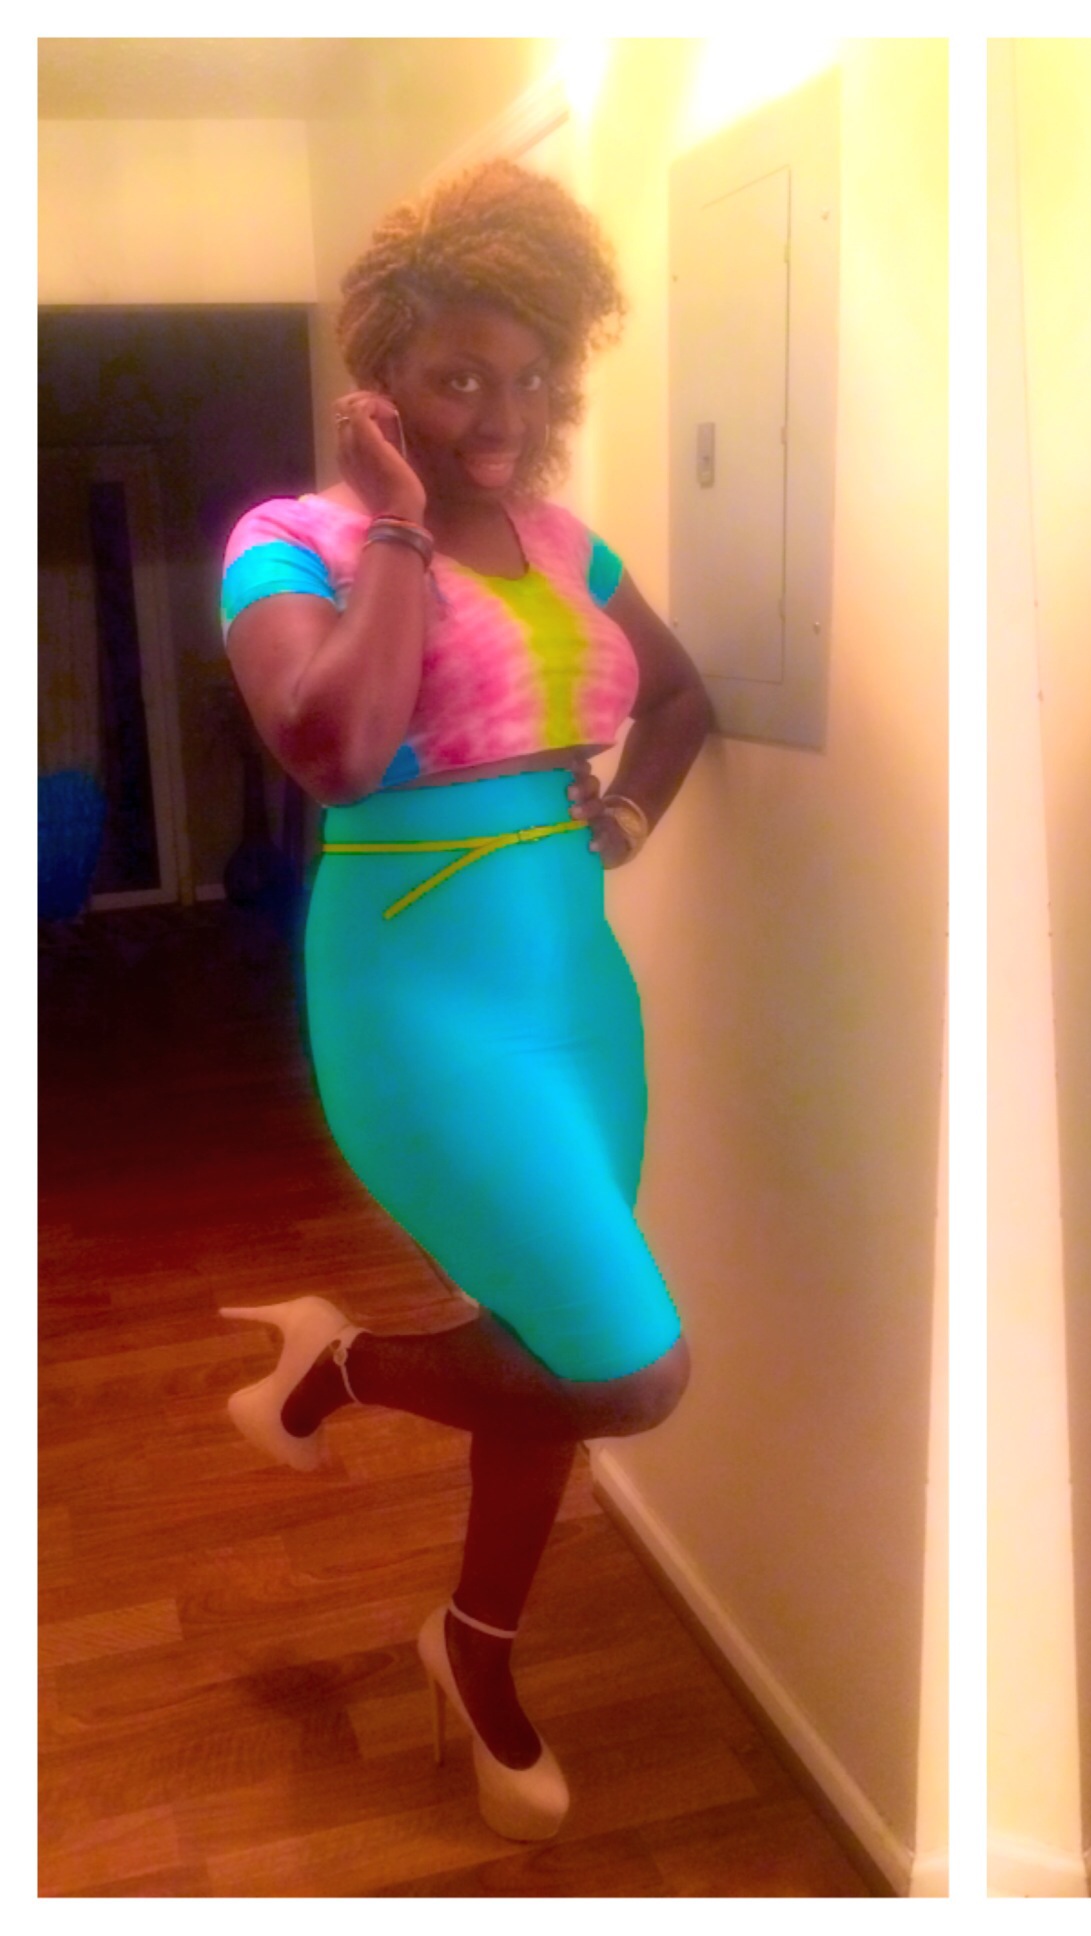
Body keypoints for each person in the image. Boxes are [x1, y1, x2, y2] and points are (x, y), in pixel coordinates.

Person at [216, 160, 712, 1842]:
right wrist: (401, 528)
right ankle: (338, 1366)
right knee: (629, 1369)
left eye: (529, 377)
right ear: (380, 380)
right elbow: (337, 748)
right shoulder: (288, 544)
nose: (502, 416)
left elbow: (678, 695)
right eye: (457, 379)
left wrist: (622, 821)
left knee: (547, 1335)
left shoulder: (570, 546)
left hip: (577, 992)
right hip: (417, 994)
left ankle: (477, 1649)